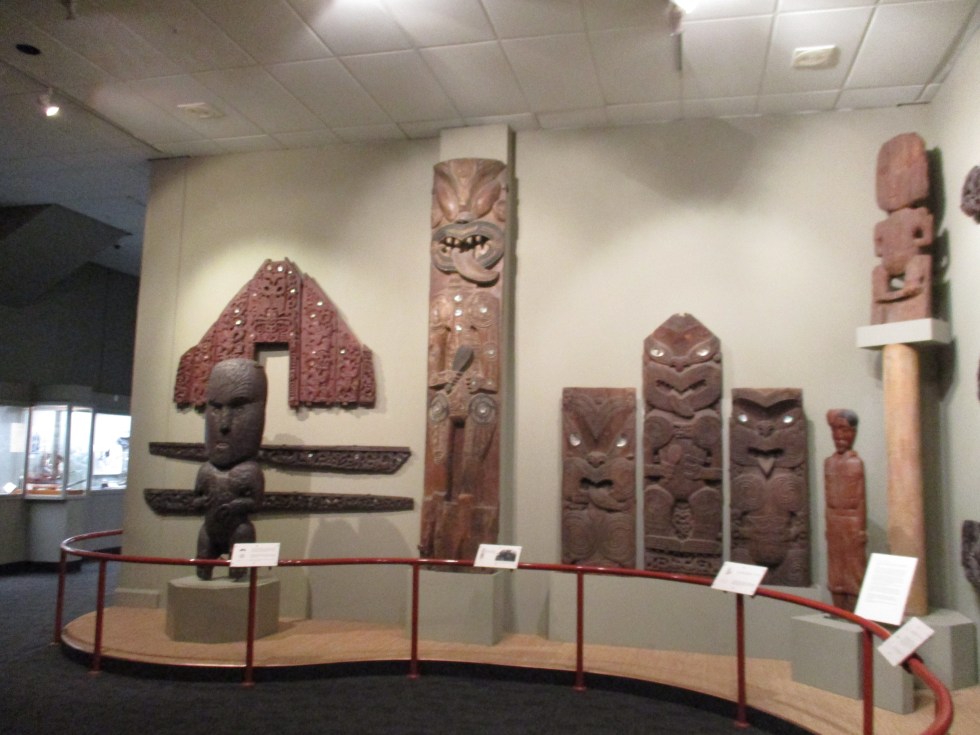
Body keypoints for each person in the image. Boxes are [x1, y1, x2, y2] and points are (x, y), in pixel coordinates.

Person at [193, 358, 267, 581]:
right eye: (215, 408)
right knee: (202, 564)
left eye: (239, 407)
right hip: (209, 529)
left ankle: (238, 571)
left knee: (243, 536)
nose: (224, 425)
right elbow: (196, 500)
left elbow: (255, 503)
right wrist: (201, 502)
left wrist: (237, 506)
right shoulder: (206, 471)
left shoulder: (250, 472)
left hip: (238, 530)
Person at [824, 409, 867, 611]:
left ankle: (853, 608)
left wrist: (860, 529)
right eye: (835, 430)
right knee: (835, 565)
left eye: (844, 429)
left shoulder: (856, 463)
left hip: (852, 522)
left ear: (854, 432)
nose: (838, 435)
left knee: (853, 565)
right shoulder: (829, 463)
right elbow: (827, 496)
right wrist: (828, 524)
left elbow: (861, 499)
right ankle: (838, 608)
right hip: (834, 521)